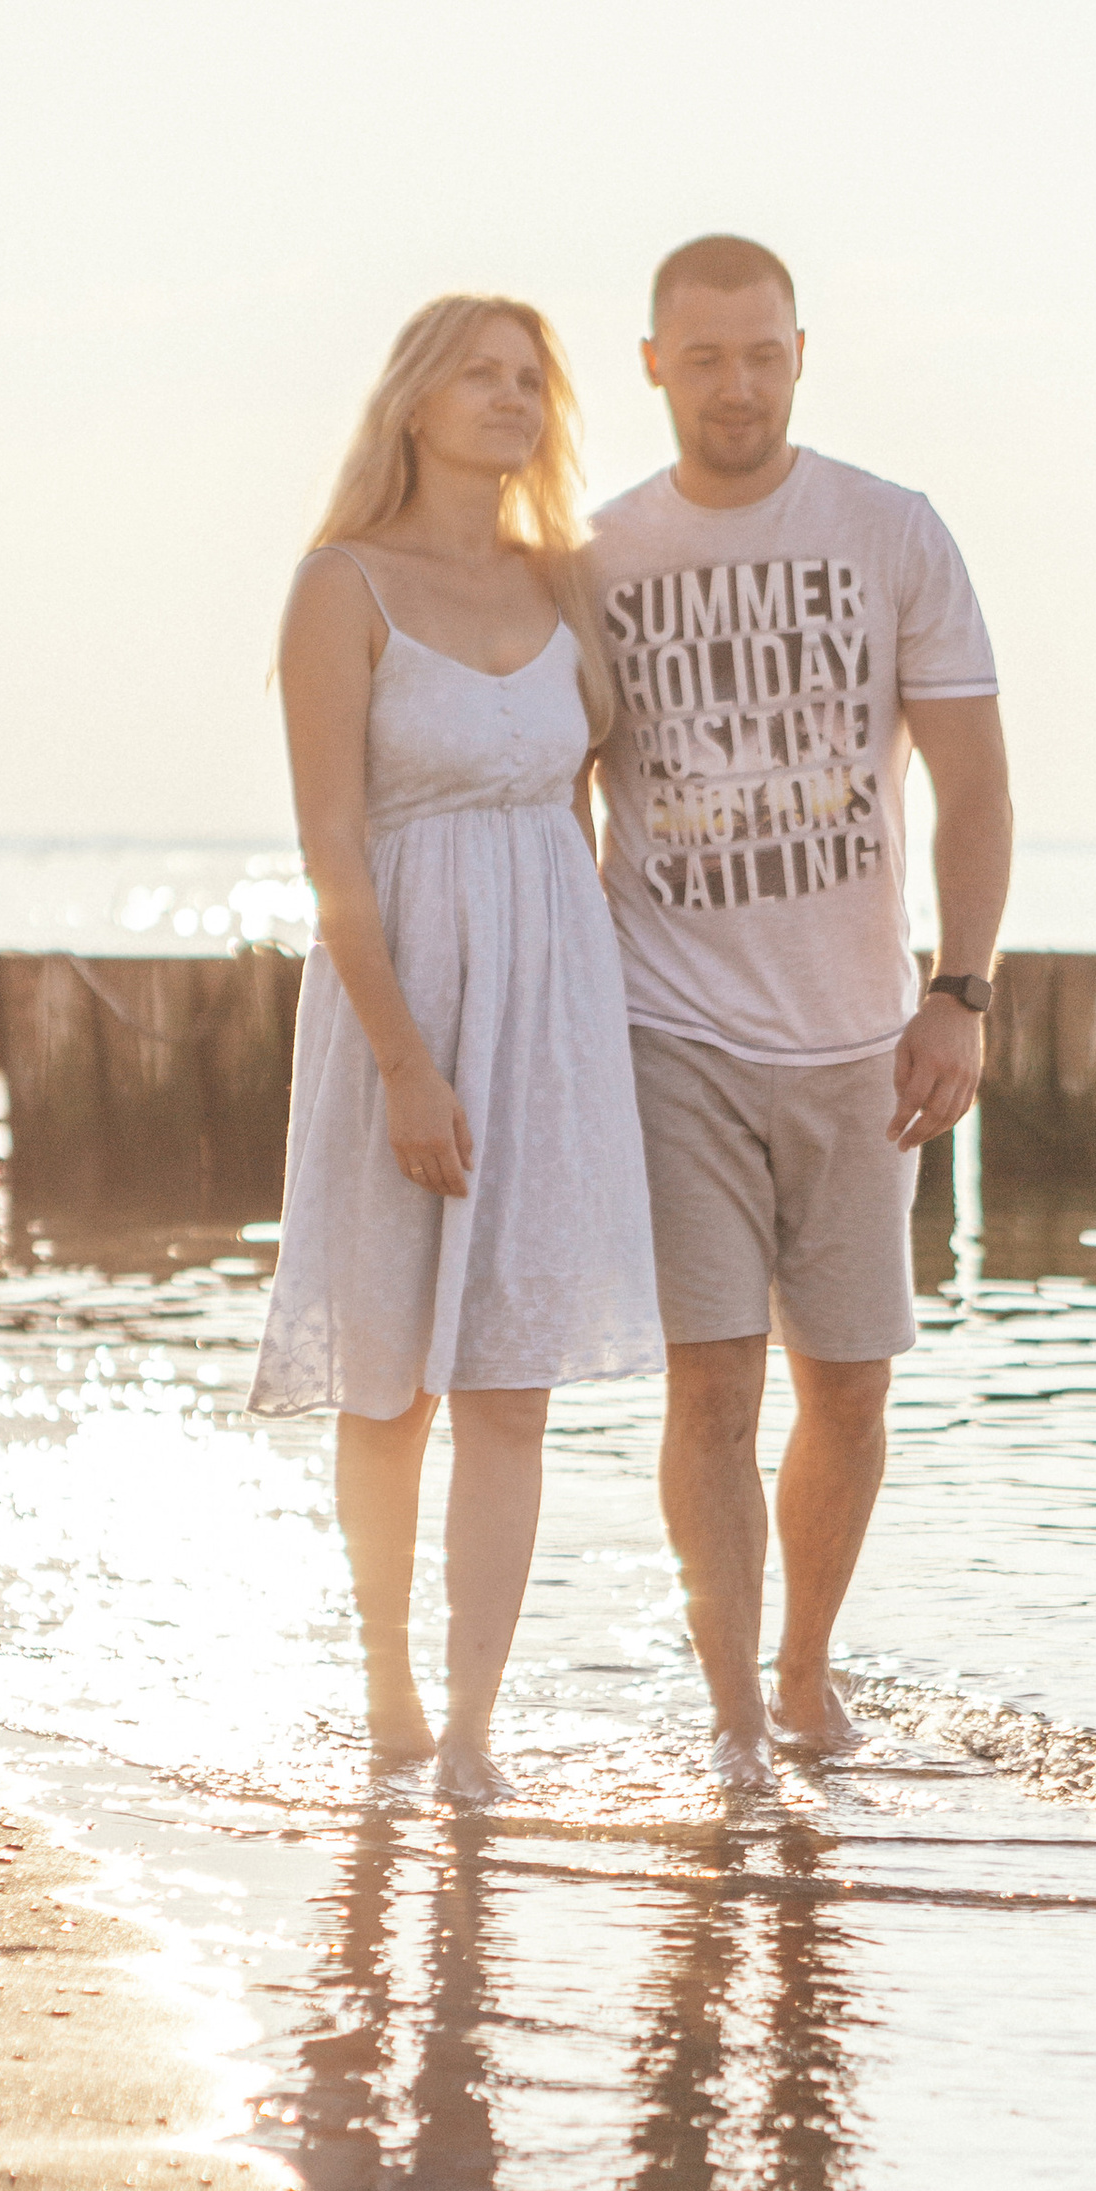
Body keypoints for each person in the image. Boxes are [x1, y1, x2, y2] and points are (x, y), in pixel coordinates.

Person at [591, 234, 1013, 1792]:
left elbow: (973, 783)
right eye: (703, 356)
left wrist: (960, 991)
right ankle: (727, 1721)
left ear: (801, 352)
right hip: (671, 1034)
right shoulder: (601, 557)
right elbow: (550, 789)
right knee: (712, 1380)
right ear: (652, 365)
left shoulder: (892, 534)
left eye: (761, 351)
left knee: (850, 1380)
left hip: (861, 1037)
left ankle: (803, 1668)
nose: (736, 383)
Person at [249, 296, 662, 1802]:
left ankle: (477, 1728)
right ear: (414, 403)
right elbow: (333, 855)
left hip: (551, 1013)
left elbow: (588, 819)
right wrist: (409, 1063)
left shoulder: (568, 588)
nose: (509, 399)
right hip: (397, 1009)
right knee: (389, 1376)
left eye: (529, 381)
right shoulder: (339, 587)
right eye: (479, 377)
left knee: (509, 1382)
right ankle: (387, 1685)